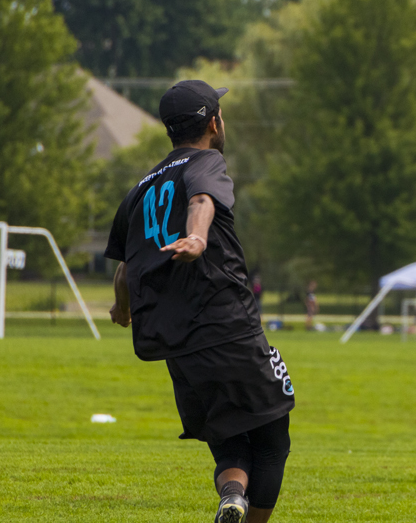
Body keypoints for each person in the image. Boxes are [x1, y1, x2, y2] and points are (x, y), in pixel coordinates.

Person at [105, 80, 294, 523]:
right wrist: (197, 236)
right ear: (213, 121)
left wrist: (121, 307)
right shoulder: (207, 161)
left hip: (178, 346)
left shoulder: (141, 189)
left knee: (227, 435)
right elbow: (203, 198)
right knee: (271, 440)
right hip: (228, 329)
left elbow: (127, 265)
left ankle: (232, 496)